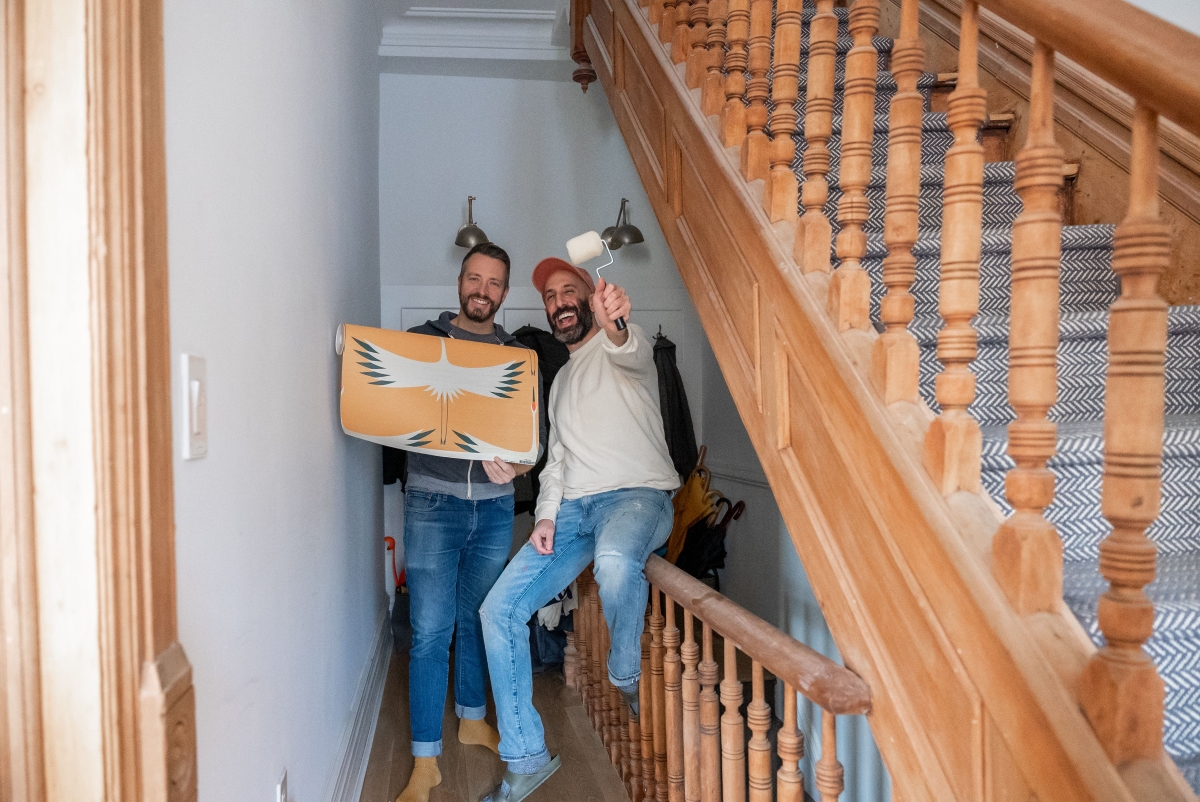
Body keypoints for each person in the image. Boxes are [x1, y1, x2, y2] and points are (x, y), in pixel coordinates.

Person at [478, 257, 680, 802]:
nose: (559, 302)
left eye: (570, 292)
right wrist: (545, 518)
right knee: (497, 611)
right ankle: (525, 758)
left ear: (591, 299)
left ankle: (624, 675)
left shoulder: (626, 346)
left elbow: (627, 345)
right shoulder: (561, 381)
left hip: (638, 498)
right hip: (573, 513)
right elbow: (558, 462)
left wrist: (615, 321)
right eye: (549, 296)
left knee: (615, 561)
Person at [396, 242, 547, 802]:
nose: (482, 290)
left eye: (494, 283)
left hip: (493, 509)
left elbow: (533, 444)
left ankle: (471, 716)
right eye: (474, 279)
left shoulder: (517, 357)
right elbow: (395, 415)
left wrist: (520, 462)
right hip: (432, 504)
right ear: (460, 282)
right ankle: (425, 761)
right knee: (431, 632)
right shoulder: (422, 344)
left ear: (504, 293)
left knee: (480, 619)